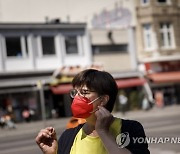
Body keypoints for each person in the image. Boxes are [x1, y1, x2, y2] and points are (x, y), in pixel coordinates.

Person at [35, 69, 150, 154]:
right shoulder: (68, 136)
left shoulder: (131, 129)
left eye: (84, 92)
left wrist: (103, 132)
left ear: (103, 100)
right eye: (75, 93)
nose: (77, 98)